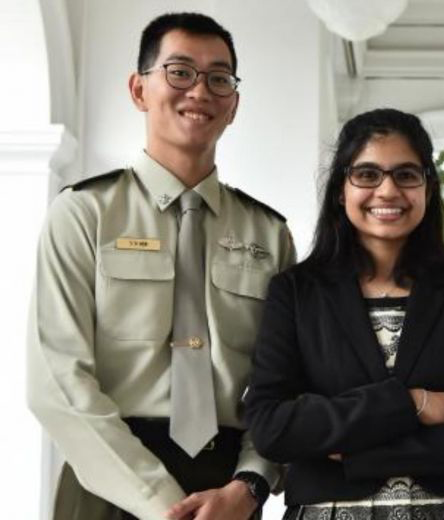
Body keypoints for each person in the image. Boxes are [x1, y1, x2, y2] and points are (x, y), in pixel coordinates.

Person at [27, 12, 295, 520]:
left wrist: (250, 486)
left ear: (234, 105)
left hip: (226, 497)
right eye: (180, 72)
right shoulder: (84, 214)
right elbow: (57, 381)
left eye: (219, 79)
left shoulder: (269, 235)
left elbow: (284, 383)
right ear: (139, 89)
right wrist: (162, 504)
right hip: (108, 488)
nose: (200, 91)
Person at [243, 108, 444, 519]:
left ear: (428, 188)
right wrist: (411, 403)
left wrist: (359, 454)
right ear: (341, 190)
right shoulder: (297, 292)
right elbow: (272, 426)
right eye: (367, 174)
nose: (387, 191)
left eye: (406, 174)